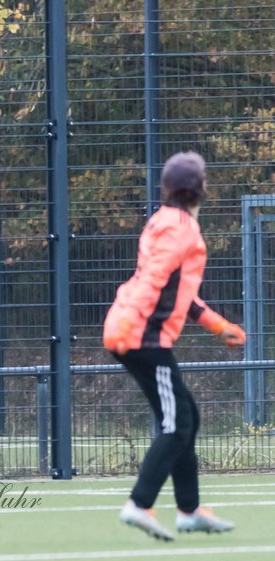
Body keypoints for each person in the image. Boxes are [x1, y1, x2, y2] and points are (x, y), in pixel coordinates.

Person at [103, 151, 245, 541]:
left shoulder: (164, 220)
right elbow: (155, 277)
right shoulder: (181, 228)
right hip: (142, 336)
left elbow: (178, 289)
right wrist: (134, 322)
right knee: (176, 423)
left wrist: (218, 326)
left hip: (133, 329)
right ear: (200, 190)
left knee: (188, 418)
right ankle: (139, 503)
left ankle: (189, 509)